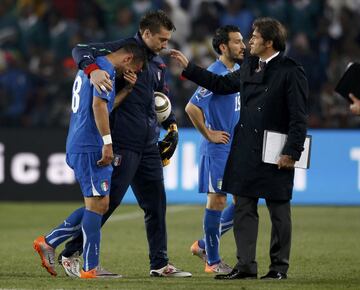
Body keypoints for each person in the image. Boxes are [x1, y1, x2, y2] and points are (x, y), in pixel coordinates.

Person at [171, 17, 308, 280]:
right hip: (244, 149)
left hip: (275, 150)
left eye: (255, 36)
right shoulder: (249, 67)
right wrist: (190, 68)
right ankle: (245, 266)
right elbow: (220, 84)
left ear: (268, 42)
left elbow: (299, 116)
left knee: (279, 210)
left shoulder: (291, 70)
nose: (250, 41)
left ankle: (278, 268)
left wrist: (292, 151)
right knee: (244, 207)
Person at [57, 10, 191, 278]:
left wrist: (172, 127)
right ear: (146, 33)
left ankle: (160, 263)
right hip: (122, 143)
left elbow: (160, 100)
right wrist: (93, 70)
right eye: (162, 39)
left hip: (148, 144)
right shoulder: (120, 51)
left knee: (156, 205)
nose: (165, 45)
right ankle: (70, 252)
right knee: (106, 203)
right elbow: (79, 49)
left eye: (168, 40)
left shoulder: (157, 66)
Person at [33, 43, 146, 279]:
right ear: (128, 58)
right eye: (137, 67)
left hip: (81, 141)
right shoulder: (103, 71)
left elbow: (102, 105)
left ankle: (49, 242)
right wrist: (107, 142)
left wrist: (125, 91)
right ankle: (90, 266)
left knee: (100, 204)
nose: (136, 72)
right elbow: (98, 106)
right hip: (90, 145)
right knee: (97, 205)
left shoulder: (93, 69)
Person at [185, 25, 245, 274]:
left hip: (236, 145)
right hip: (217, 148)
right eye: (238, 42)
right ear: (224, 47)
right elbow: (191, 108)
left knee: (243, 201)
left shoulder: (239, 70)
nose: (243, 46)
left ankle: (203, 245)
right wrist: (208, 133)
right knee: (217, 200)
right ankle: (213, 261)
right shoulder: (215, 72)